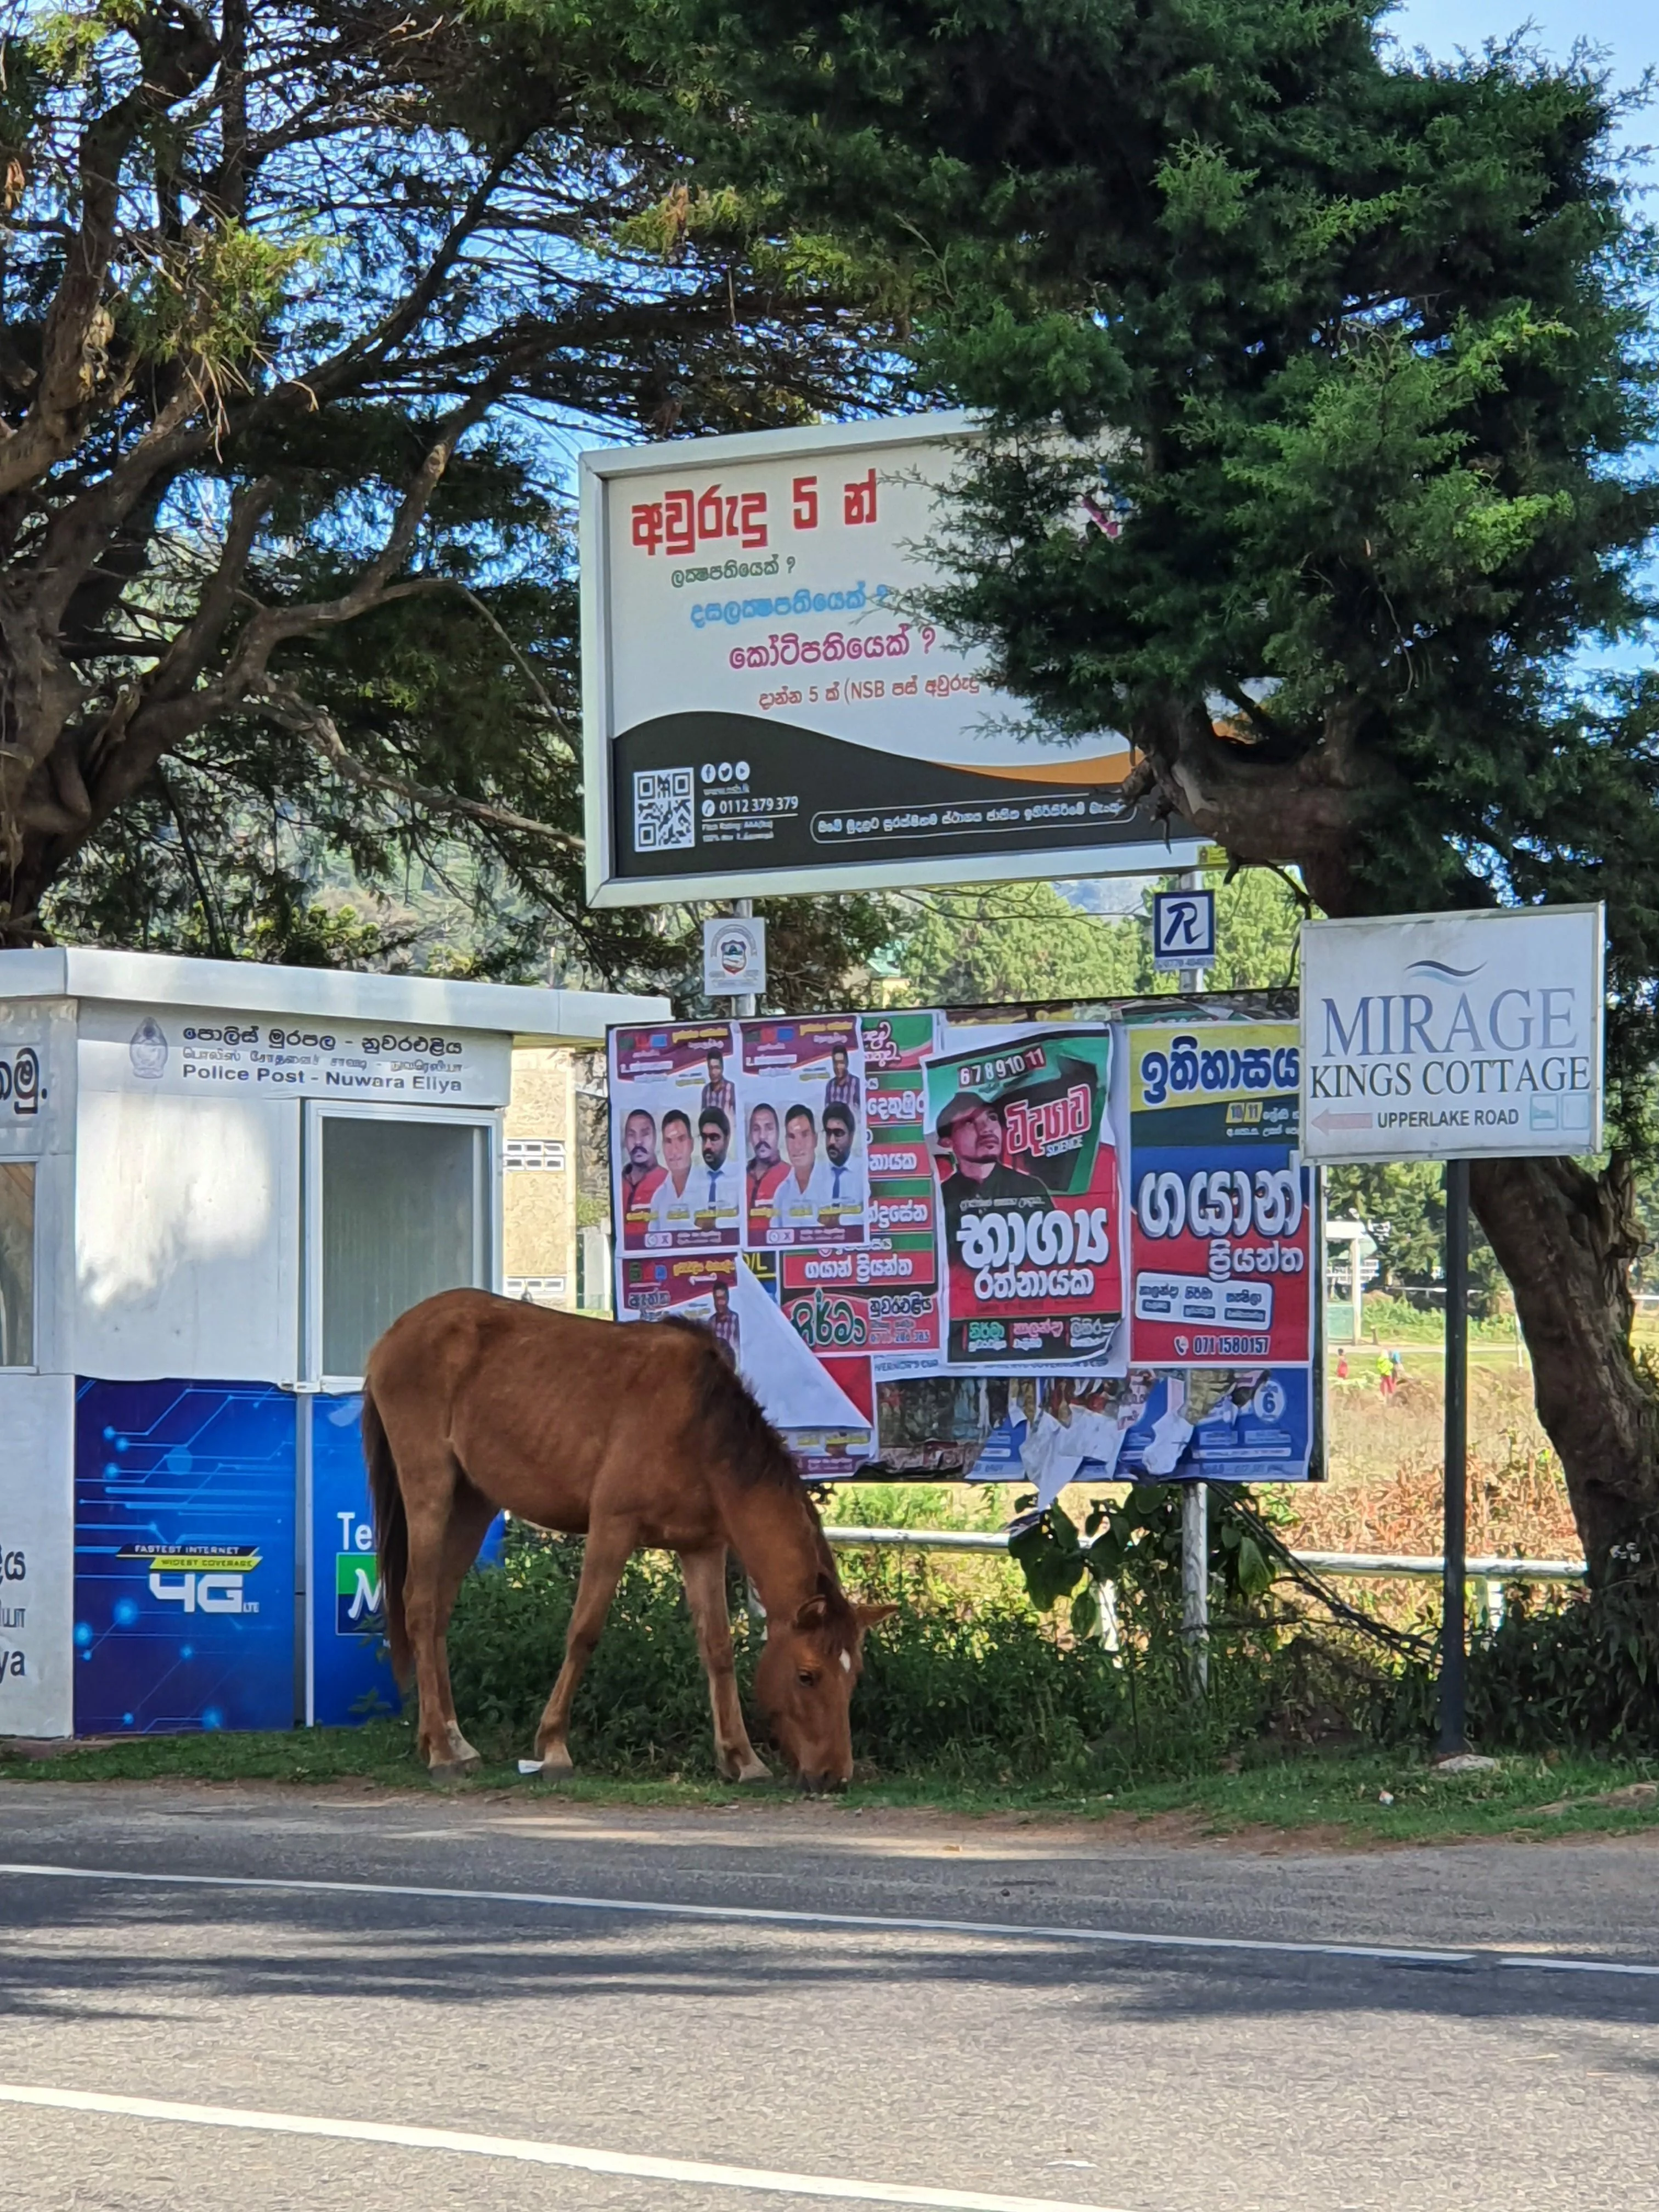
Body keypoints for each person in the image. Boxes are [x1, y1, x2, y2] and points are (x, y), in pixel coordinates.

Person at [935, 1091, 1052, 1248]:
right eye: (969, 1122)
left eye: (992, 1118)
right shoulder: (941, 1199)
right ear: (948, 1143)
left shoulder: (1030, 1189)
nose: (987, 1129)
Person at [647, 1109, 698, 1233]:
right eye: (669, 1142)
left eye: (681, 1139)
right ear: (663, 1148)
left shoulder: (709, 1188)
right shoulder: (659, 1198)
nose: (675, 1150)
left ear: (691, 1144)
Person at [620, 1108, 664, 1218]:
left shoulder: (669, 1182)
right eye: (632, 1135)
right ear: (625, 1140)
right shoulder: (617, 1183)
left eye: (645, 1134)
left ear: (655, 1138)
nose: (638, 1142)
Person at [745, 1102, 788, 1216]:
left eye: (769, 1128)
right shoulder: (740, 1177)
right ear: (749, 1136)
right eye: (756, 1129)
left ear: (778, 1133)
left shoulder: (791, 1176)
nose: (762, 1137)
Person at [695, 1106, 735, 1219]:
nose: (707, 1146)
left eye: (714, 1138)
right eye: (704, 1138)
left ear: (727, 1140)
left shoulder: (740, 1178)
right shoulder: (691, 1180)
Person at [821, 1099, 861, 1212]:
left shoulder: (863, 1175)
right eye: (829, 1133)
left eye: (838, 1134)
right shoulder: (815, 1176)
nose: (832, 1141)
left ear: (851, 1137)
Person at [709, 1278, 741, 1364]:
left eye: (722, 1299)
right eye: (716, 1299)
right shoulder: (712, 1322)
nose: (719, 1303)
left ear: (728, 1299)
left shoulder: (735, 1319)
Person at [825, 1043, 861, 1113]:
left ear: (847, 1063)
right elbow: (827, 1112)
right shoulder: (830, 1085)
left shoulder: (857, 1083)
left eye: (841, 1062)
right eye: (836, 1063)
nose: (838, 1066)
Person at [701, 1049, 736, 1119]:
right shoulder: (706, 1091)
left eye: (717, 1068)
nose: (713, 1072)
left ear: (722, 1068)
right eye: (711, 1068)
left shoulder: (731, 1088)